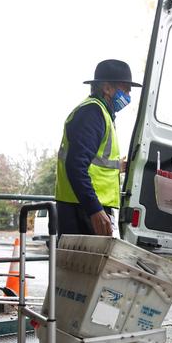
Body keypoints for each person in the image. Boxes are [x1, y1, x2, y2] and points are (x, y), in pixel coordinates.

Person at [55, 59, 141, 237]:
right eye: (125, 89)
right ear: (107, 88)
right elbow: (76, 165)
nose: (128, 96)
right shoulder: (92, 113)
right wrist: (94, 209)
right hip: (83, 210)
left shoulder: (100, 113)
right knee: (82, 264)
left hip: (85, 207)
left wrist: (118, 167)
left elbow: (94, 162)